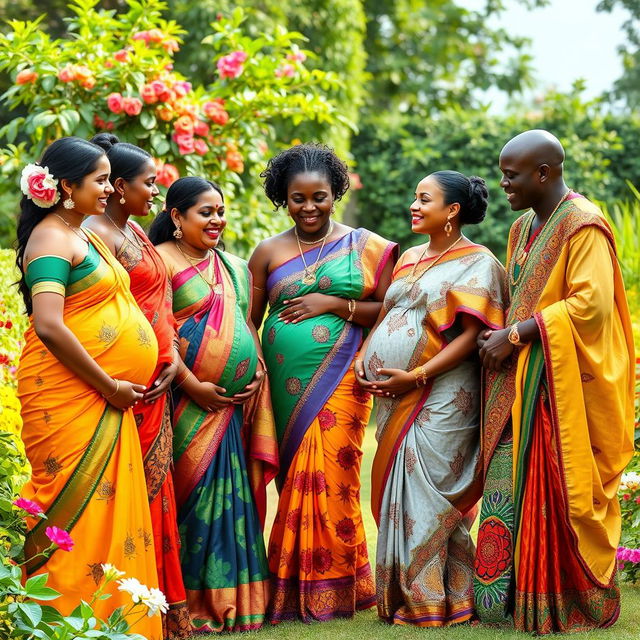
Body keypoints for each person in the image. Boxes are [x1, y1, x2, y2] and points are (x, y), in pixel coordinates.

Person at [474, 129, 635, 634]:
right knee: (510, 486)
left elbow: (591, 305)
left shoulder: (584, 225)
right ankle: (508, 595)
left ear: (544, 173)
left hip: (561, 390)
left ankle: (562, 598)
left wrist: (516, 335)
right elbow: (518, 292)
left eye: (512, 174)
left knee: (560, 492)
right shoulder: (522, 228)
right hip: (520, 384)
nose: (504, 184)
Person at [16, 137, 162, 639]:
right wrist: (109, 385)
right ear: (64, 187)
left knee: (105, 512)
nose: (108, 188)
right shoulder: (50, 239)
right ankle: (61, 622)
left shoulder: (83, 234)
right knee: (71, 511)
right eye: (99, 180)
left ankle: (110, 623)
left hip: (103, 396)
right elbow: (49, 324)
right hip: (70, 396)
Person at [249, 143, 397, 623]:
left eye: (319, 197)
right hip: (283, 388)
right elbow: (249, 323)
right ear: (283, 198)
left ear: (335, 193)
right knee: (295, 482)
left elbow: (391, 311)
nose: (309, 207)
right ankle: (290, 589)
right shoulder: (268, 251)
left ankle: (339, 587)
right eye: (297, 199)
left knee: (335, 477)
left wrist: (334, 305)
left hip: (343, 381)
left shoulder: (367, 246)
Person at [355, 171, 506, 627]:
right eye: (415, 197)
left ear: (453, 210)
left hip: (445, 393)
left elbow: (473, 335)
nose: (414, 206)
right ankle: (430, 595)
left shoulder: (479, 263)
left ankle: (435, 600)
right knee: (401, 490)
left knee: (430, 491)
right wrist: (366, 352)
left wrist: (417, 375)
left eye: (425, 199)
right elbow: (389, 312)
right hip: (396, 396)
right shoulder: (409, 257)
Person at [148, 177, 278, 633]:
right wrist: (193, 385)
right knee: (191, 500)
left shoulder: (235, 267)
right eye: (206, 211)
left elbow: (245, 322)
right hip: (186, 406)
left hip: (231, 412)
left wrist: (257, 366)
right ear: (177, 216)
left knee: (232, 502)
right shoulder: (159, 261)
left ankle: (239, 601)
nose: (217, 219)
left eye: (221, 211)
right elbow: (157, 335)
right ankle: (188, 600)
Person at [84, 134, 189, 639]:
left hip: (157, 384)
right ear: (119, 187)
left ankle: (157, 609)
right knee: (127, 494)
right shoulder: (92, 234)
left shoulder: (135, 232)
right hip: (124, 390)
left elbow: (158, 303)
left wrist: (171, 356)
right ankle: (119, 610)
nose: (157, 191)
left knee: (156, 493)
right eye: (150, 183)